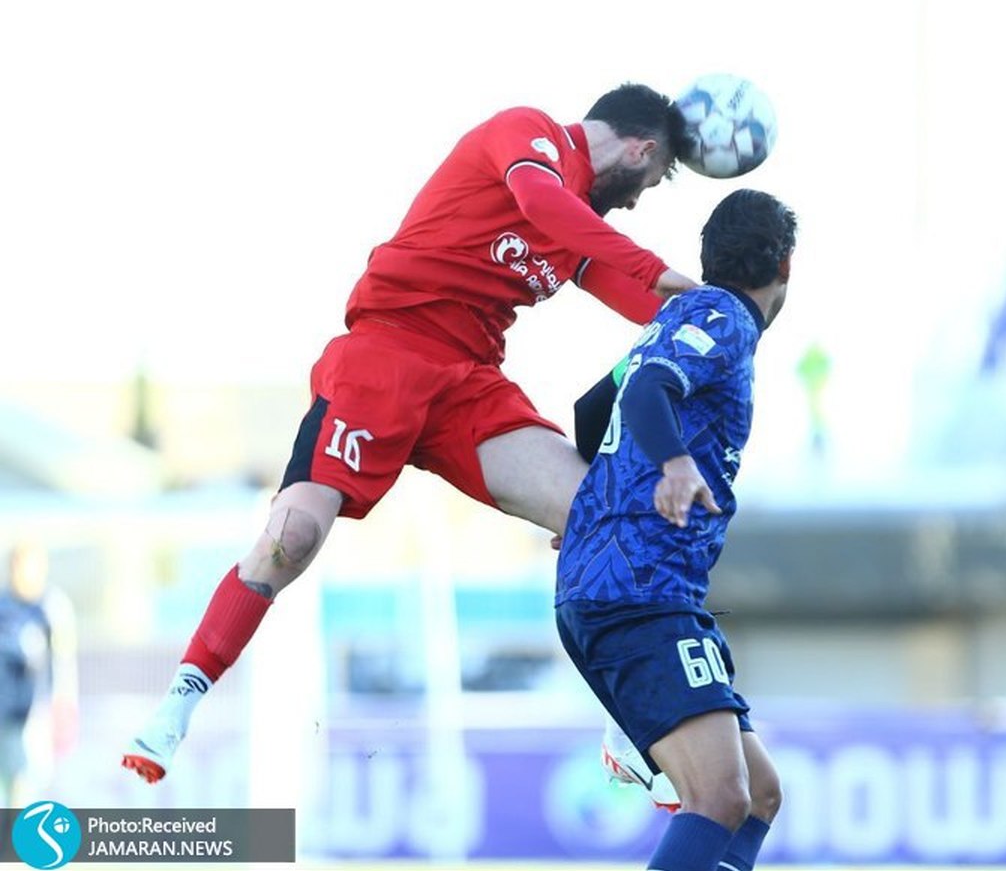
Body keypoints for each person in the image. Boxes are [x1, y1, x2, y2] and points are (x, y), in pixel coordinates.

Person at [122, 83, 698, 783]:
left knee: (603, 517)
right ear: (641, 149)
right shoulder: (531, 136)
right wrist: (657, 267)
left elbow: (643, 302)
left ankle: (622, 718)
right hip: (387, 356)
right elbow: (549, 209)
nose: (639, 199)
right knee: (291, 540)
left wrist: (719, 317)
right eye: (652, 178)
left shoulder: (579, 224)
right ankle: (180, 702)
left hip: (468, 385)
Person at [556, 188, 796, 871]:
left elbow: (590, 407)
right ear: (787, 264)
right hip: (642, 594)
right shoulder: (723, 316)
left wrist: (597, 514)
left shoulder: (681, 317)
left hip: (634, 586)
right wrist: (674, 464)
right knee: (720, 796)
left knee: (759, 797)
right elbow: (640, 394)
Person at [1, 542, 79, 806]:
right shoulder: (2, 605)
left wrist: (64, 710)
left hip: (33, 718)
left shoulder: (51, 608)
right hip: (4, 714)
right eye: (15, 565)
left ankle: (16, 846)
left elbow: (63, 663)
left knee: (25, 790)